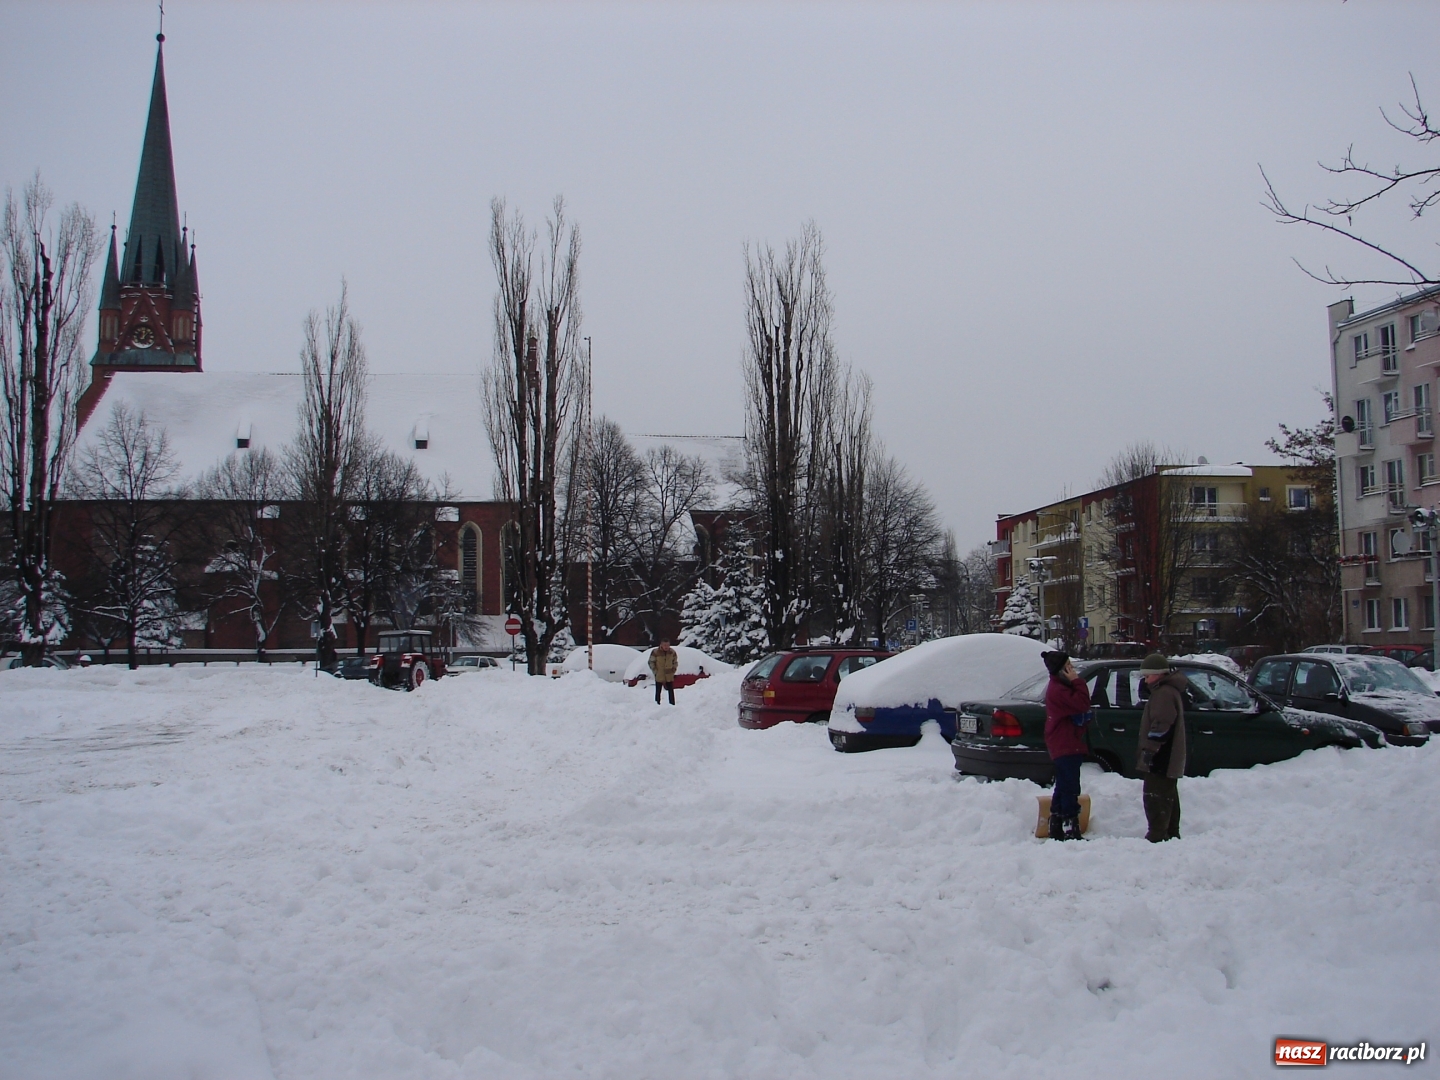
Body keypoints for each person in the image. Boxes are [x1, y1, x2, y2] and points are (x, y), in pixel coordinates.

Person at [1136, 653, 1187, 842]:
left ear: (1158, 674)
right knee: (1168, 794)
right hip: (1167, 755)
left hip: (1161, 756)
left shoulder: (1163, 694)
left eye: (1148, 675)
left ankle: (1157, 835)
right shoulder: (1168, 691)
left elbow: (1161, 725)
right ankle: (1171, 833)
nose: (1145, 679)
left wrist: (1150, 750)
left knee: (1155, 795)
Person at [1042, 650, 1093, 841]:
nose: (1072, 669)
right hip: (1065, 743)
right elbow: (1082, 703)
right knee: (1070, 786)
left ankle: (1056, 824)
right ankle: (1070, 826)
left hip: (1064, 742)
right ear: (1061, 669)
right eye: (1068, 666)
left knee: (1063, 785)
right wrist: (1077, 681)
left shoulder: (1059, 687)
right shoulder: (1059, 689)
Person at [649, 640, 679, 705]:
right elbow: (651, 662)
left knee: (671, 691)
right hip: (659, 674)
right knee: (658, 691)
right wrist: (655, 671)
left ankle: (672, 704)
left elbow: (675, 662)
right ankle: (657, 704)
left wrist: (673, 670)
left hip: (669, 675)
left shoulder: (672, 652)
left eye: (668, 645)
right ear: (661, 645)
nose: (666, 647)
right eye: (665, 645)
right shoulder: (655, 652)